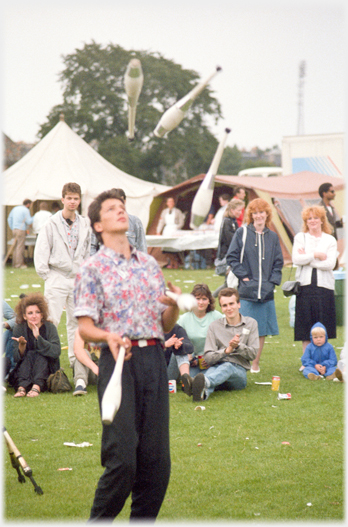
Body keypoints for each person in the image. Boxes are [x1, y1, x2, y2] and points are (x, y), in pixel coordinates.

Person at [73, 188, 181, 521]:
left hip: (153, 361)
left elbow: (163, 323)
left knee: (157, 463)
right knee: (123, 462)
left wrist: (174, 306)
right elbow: (85, 327)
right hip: (118, 362)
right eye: (111, 209)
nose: (121, 211)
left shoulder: (149, 264)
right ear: (97, 225)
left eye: (122, 207)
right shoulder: (91, 269)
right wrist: (108, 336)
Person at [34, 182, 91, 368]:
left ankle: (78, 367)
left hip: (77, 279)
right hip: (56, 276)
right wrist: (48, 277)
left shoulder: (84, 224)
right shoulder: (50, 224)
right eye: (69, 198)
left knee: (76, 324)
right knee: (51, 322)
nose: (72, 202)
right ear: (62, 199)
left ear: (80, 200)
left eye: (76, 198)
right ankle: (47, 367)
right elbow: (41, 252)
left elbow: (87, 252)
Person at [226, 198, 283, 373]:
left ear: (267, 214)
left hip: (266, 291)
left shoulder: (273, 236)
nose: (258, 216)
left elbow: (278, 262)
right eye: (255, 212)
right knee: (244, 328)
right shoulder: (242, 232)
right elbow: (232, 257)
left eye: (261, 212)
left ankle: (255, 363)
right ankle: (241, 361)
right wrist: (244, 278)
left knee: (261, 330)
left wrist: (271, 282)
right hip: (246, 290)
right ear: (251, 215)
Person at [188, 287, 259, 402]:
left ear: (239, 304)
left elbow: (253, 354)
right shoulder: (214, 326)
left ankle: (200, 383)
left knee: (227, 367)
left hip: (239, 372)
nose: (229, 308)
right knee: (213, 372)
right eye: (225, 305)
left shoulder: (251, 323)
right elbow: (208, 357)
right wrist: (227, 351)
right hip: (217, 367)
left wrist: (238, 347)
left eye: (231, 304)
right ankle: (203, 393)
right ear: (221, 308)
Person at [292, 205, 337, 353]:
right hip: (305, 287)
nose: (312, 221)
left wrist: (307, 257)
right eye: (309, 218)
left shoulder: (330, 239)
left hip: (324, 287)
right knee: (305, 324)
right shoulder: (300, 237)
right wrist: (316, 255)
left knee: (323, 323)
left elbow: (330, 264)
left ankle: (324, 358)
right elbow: (296, 259)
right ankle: (306, 360)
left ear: (322, 220)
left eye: (315, 218)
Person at [175, 283, 224, 395]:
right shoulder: (184, 319)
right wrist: (188, 356)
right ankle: (182, 380)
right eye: (197, 299)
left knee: (206, 378)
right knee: (193, 378)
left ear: (209, 300)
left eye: (204, 299)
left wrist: (213, 358)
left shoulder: (217, 317)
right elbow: (177, 340)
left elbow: (224, 341)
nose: (201, 302)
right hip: (192, 361)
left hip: (212, 361)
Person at [9, 293, 61, 397]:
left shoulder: (50, 327)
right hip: (26, 368)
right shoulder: (19, 328)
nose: (34, 316)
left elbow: (56, 352)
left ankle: (37, 386)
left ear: (42, 315)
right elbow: (16, 358)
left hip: (47, 368)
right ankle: (22, 387)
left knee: (40, 354)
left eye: (37, 312)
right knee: (30, 354)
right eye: (30, 313)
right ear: (24, 316)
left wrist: (38, 338)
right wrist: (22, 346)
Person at [90, 188, 147, 254]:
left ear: (125, 201)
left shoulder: (135, 221)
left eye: (121, 202)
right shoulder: (101, 221)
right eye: (113, 205)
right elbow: (92, 247)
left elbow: (142, 247)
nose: (119, 209)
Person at [213, 199, 245, 298]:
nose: (240, 213)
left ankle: (211, 298)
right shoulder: (227, 222)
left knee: (229, 282)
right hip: (227, 256)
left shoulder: (232, 221)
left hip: (230, 255)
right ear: (232, 210)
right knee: (228, 283)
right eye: (238, 210)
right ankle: (211, 297)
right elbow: (231, 240)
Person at [156, 196, 185, 269]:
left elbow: (181, 222)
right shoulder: (164, 212)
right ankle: (172, 263)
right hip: (167, 230)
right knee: (166, 248)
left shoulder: (178, 212)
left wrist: (176, 227)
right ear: (167, 203)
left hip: (175, 230)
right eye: (169, 202)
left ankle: (174, 263)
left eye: (172, 201)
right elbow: (161, 222)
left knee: (173, 247)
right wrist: (158, 231)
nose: (171, 203)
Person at [71, 329, 98, 396]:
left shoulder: (110, 328)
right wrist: (94, 367)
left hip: (106, 369)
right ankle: (80, 384)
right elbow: (78, 350)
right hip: (88, 370)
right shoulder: (81, 329)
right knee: (82, 353)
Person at [7, 199, 33, 268]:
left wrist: (12, 227)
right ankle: (19, 264)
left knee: (15, 246)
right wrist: (35, 217)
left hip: (14, 229)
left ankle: (14, 264)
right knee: (20, 247)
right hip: (21, 229)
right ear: (28, 204)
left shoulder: (15, 208)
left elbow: (9, 218)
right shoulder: (26, 210)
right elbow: (29, 221)